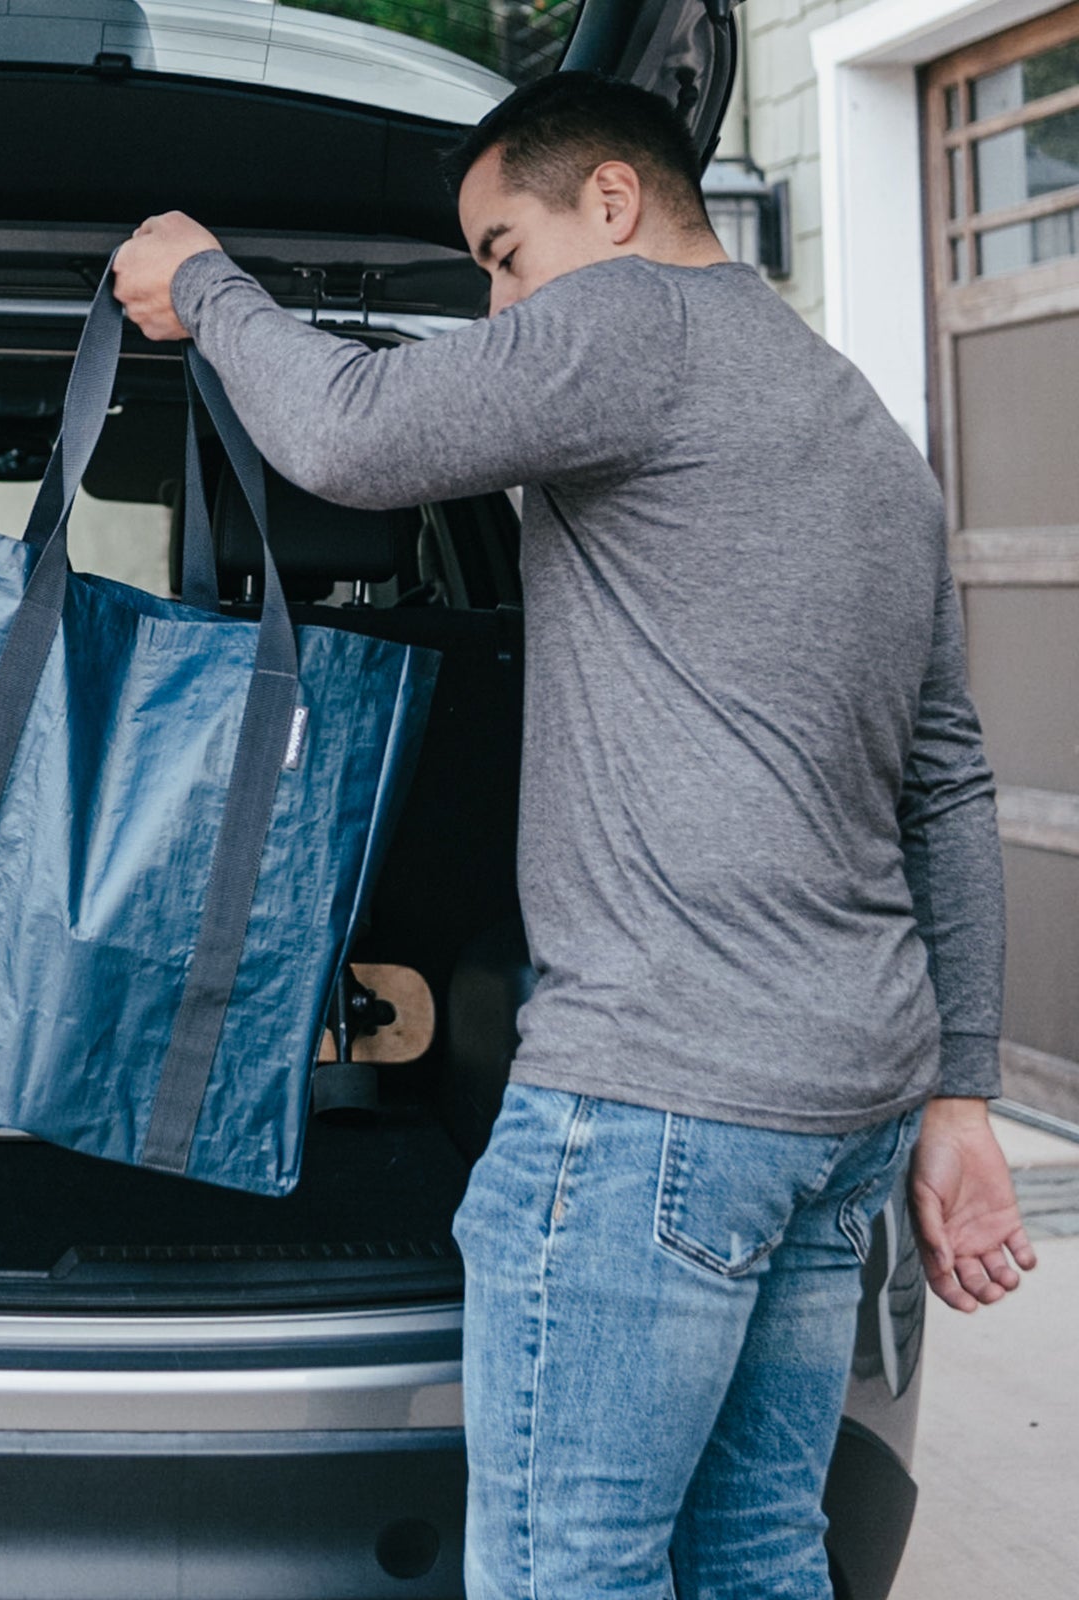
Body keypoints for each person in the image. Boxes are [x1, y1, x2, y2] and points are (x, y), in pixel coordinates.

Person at [113, 72, 1037, 1599]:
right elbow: (947, 785)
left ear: (611, 201)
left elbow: (347, 435)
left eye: (500, 253)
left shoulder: (635, 329)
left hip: (658, 1107)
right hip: (841, 1109)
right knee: (759, 1551)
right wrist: (961, 1092)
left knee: (570, 1572)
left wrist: (206, 283)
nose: (499, 305)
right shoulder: (860, 417)